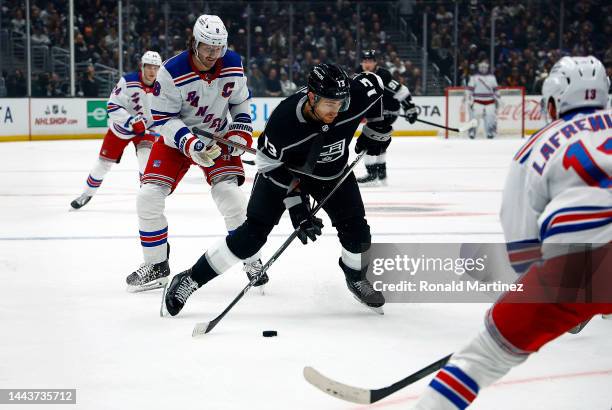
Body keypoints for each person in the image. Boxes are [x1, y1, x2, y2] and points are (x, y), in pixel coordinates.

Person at [413, 56, 612, 409]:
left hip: (576, 264)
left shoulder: (534, 147)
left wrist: (540, 296)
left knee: (480, 358)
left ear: (552, 100)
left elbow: (522, 246)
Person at [163, 63, 392, 317]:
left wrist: (377, 129)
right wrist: (297, 207)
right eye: (329, 104)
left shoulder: (353, 97)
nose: (336, 110)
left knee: (357, 233)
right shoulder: (284, 122)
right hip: (285, 174)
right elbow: (269, 166)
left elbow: (378, 84)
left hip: (332, 173)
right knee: (251, 237)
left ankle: (356, 278)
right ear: (312, 97)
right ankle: (190, 279)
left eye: (341, 103)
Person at [126, 15, 266, 292]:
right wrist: (190, 143)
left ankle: (252, 261)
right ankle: (156, 264)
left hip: (219, 136)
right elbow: (162, 117)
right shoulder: (171, 71)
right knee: (148, 196)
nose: (213, 54)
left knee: (230, 195)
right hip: (177, 141)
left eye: (219, 48)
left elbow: (240, 103)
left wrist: (238, 134)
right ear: (194, 43)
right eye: (207, 48)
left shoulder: (233, 63)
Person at [70, 51, 162, 210]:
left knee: (145, 161)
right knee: (103, 164)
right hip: (121, 129)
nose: (152, 71)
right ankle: (86, 194)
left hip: (146, 131)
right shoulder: (127, 81)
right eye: (149, 67)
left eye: (155, 68)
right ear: (142, 66)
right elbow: (112, 106)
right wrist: (131, 121)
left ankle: (147, 199)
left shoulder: (163, 86)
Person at [355, 50, 418, 185]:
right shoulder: (358, 75)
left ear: (375, 63)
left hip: (388, 113)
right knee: (379, 141)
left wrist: (410, 109)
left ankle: (372, 175)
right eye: (365, 61)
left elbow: (402, 91)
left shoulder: (383, 76)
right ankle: (381, 175)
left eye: (370, 61)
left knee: (369, 140)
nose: (367, 64)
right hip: (374, 113)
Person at [466, 60, 500, 139]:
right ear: (479, 67)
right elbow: (470, 89)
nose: (483, 68)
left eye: (485, 67)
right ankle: (472, 132)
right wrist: (468, 98)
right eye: (482, 67)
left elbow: (495, 89)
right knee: (474, 117)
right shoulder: (474, 77)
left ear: (487, 67)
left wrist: (499, 97)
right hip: (478, 100)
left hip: (490, 101)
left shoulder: (492, 77)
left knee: (490, 117)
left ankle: (490, 132)